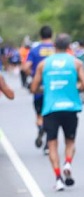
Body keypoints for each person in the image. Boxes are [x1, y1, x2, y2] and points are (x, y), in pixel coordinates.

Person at [30, 34, 84, 191]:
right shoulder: (76, 63)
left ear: (54, 47)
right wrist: (73, 88)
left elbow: (34, 88)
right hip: (70, 107)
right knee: (70, 141)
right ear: (69, 46)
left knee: (52, 144)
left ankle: (58, 178)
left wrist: (46, 89)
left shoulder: (43, 64)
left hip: (51, 108)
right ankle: (68, 162)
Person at [25, 26, 55, 154]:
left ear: (40, 35)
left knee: (39, 114)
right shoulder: (57, 49)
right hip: (54, 87)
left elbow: (25, 67)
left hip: (39, 87)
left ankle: (41, 127)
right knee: (51, 115)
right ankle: (48, 144)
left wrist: (33, 75)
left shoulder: (35, 50)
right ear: (51, 35)